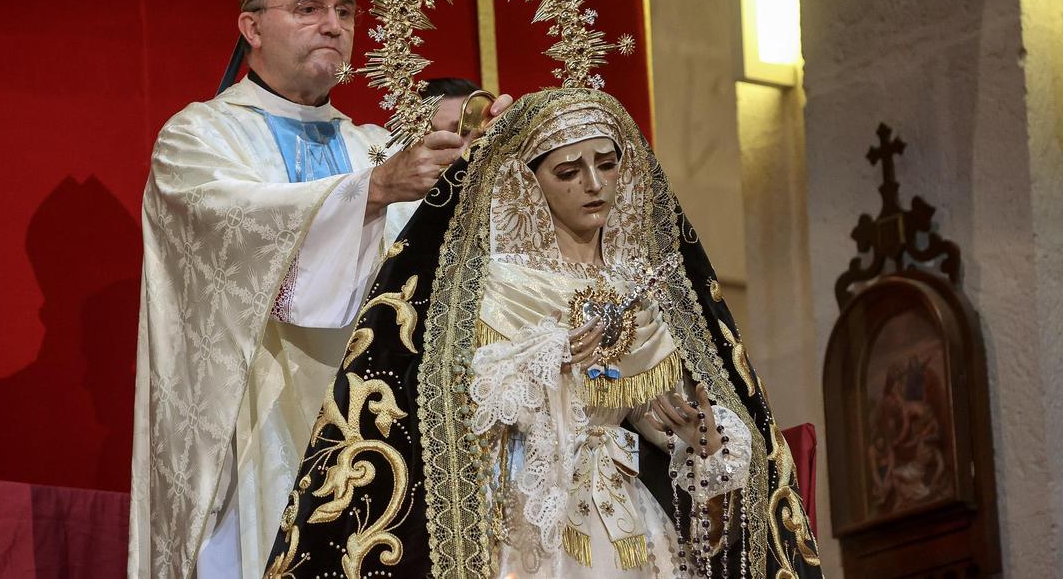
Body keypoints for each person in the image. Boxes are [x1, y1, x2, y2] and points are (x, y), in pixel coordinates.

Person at [127, 0, 508, 579]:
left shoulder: (369, 147)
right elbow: (238, 229)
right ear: (252, 25)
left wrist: (496, 161)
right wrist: (369, 193)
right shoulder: (199, 139)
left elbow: (432, 283)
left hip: (372, 452)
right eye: (307, 8)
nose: (332, 25)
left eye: (344, 9)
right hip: (249, 448)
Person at [265, 88, 822, 577]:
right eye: (568, 172)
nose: (594, 184)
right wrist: (551, 359)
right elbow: (457, 401)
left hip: (631, 515)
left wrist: (699, 439)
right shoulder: (499, 286)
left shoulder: (640, 285)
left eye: (607, 165)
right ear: (527, 182)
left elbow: (654, 414)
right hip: (529, 520)